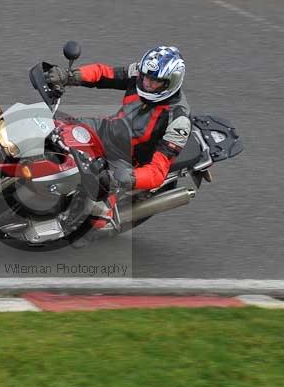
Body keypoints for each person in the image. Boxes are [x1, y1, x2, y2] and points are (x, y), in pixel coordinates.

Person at [45, 45, 192, 242]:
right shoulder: (139, 74)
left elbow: (158, 171)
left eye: (155, 81)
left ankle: (97, 222)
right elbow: (103, 74)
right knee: (52, 130)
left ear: (171, 83)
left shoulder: (178, 120)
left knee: (89, 220)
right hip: (106, 130)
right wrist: (69, 76)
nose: (147, 83)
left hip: (126, 162)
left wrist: (126, 178)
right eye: (146, 77)